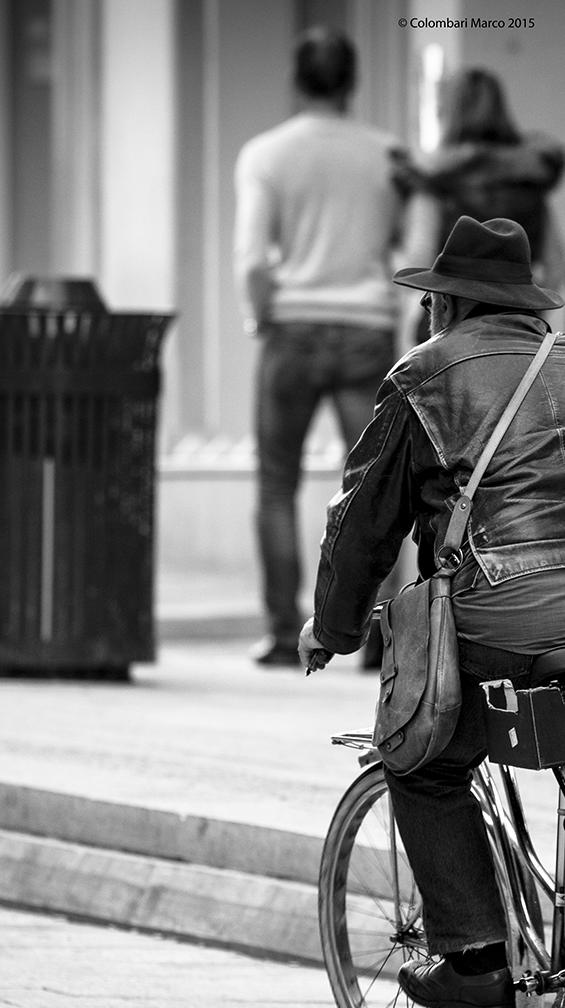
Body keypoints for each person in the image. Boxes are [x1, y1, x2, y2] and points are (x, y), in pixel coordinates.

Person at [301, 216, 565, 1008]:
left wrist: (330, 630)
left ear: (448, 307)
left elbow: (364, 524)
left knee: (422, 759)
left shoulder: (426, 376)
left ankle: (474, 956)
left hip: (510, 608)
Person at [236, 26, 407, 668]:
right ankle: (381, 636)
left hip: (293, 326)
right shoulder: (389, 155)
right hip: (367, 327)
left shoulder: (266, 155)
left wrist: (260, 317)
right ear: (352, 81)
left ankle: (284, 633)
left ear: (297, 80)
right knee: (379, 486)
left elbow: (253, 258)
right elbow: (408, 246)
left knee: (277, 484)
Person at [400, 67, 565, 343]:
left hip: (448, 329)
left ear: (448, 111)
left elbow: (418, 259)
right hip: (520, 328)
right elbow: (556, 263)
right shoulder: (529, 177)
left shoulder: (435, 178)